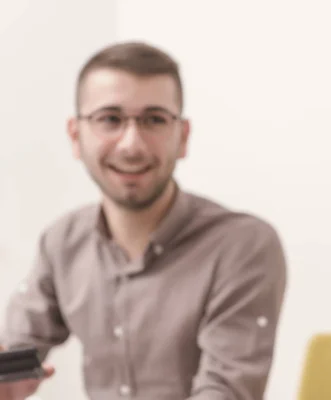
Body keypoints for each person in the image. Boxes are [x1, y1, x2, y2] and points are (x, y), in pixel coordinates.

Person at [0, 41, 287, 400]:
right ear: (76, 136)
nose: (131, 144)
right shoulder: (62, 242)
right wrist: (8, 380)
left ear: (182, 137)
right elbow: (17, 358)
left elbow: (225, 392)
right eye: (110, 119)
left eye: (154, 119)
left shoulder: (242, 246)